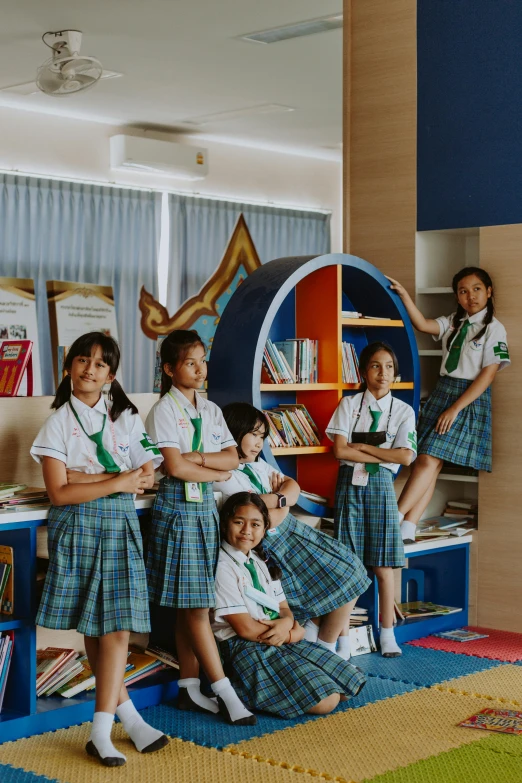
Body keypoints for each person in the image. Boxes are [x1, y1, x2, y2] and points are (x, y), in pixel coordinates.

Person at [31, 332, 168, 767]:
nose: (89, 369)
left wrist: (84, 477)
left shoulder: (124, 416)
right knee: (101, 627)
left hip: (120, 524)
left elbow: (145, 474)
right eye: (82, 360)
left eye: (100, 364)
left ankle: (109, 724)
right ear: (68, 366)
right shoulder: (56, 423)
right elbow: (58, 492)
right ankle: (113, 724)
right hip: (79, 527)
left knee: (117, 628)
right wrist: (115, 482)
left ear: (111, 374)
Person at [145, 330, 256, 726]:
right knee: (194, 606)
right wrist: (207, 468)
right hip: (177, 512)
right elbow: (173, 468)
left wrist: (199, 459)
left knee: (193, 603)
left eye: (202, 361)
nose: (200, 369)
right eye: (190, 362)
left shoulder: (210, 411)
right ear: (170, 368)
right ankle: (225, 692)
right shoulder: (162, 410)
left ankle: (188, 688)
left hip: (204, 512)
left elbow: (233, 459)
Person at [214, 402, 371, 660]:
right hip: (272, 544)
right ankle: (326, 651)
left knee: (352, 571)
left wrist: (277, 499)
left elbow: (293, 487)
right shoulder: (225, 474)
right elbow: (261, 516)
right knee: (334, 583)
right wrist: (281, 501)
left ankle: (325, 648)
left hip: (293, 533)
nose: (258, 443)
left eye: (262, 437)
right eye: (253, 434)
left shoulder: (258, 465)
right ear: (234, 432)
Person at [212, 492, 367, 718]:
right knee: (327, 701)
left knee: (347, 686)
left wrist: (287, 624)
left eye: (255, 524)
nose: (247, 530)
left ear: (265, 529)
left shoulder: (259, 560)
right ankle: (240, 689)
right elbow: (245, 629)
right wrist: (291, 635)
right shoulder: (223, 566)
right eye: (238, 522)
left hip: (276, 636)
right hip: (246, 646)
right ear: (225, 524)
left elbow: (284, 609)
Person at [387, 268, 510, 543]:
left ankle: (393, 517)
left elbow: (487, 376)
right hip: (444, 390)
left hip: (467, 397)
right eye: (463, 291)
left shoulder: (494, 328)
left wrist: (454, 409)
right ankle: (408, 527)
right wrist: (405, 296)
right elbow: (422, 324)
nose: (471, 296)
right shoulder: (455, 321)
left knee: (428, 459)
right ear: (457, 295)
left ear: (489, 291)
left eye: (477, 289)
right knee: (429, 462)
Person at [326, 342, 417, 658]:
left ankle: (388, 633)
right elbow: (339, 450)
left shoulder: (404, 411)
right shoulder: (349, 405)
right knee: (350, 566)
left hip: (380, 486)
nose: (384, 373)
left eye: (389, 366)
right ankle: (343, 640)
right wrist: (382, 452)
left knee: (383, 566)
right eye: (376, 366)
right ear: (363, 372)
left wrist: (363, 449)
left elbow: (405, 457)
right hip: (349, 485)